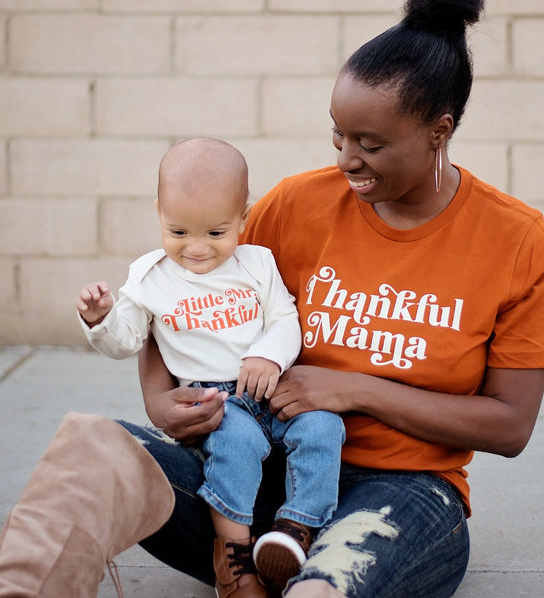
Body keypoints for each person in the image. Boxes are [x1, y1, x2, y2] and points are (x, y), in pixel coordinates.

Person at [0, 0, 544, 598]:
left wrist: (353, 390)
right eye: (338, 136)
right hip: (258, 477)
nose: (347, 159)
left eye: (370, 145)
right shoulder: (297, 204)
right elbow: (185, 289)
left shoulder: (514, 238)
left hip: (405, 494)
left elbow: (509, 426)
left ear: (439, 131)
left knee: (318, 591)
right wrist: (159, 397)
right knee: (92, 449)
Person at [77, 138, 345, 598]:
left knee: (323, 428)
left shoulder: (257, 263)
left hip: (271, 387)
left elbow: (285, 320)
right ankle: (235, 560)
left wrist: (268, 355)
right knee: (236, 449)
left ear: (243, 216)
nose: (197, 249)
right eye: (178, 232)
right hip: (218, 401)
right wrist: (100, 319)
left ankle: (296, 528)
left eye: (216, 233)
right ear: (160, 211)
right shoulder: (150, 277)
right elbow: (127, 340)